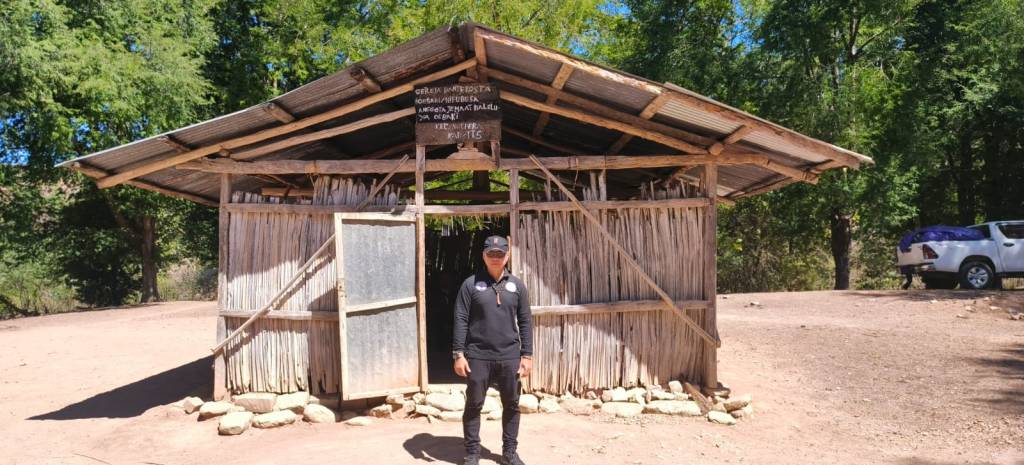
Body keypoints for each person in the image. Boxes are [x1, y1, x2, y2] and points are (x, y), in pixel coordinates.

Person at [452, 235, 532, 465]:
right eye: (491, 254)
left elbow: (525, 321)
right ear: (483, 256)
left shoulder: (517, 286)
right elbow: (460, 318)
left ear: (507, 256)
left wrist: (527, 355)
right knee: (474, 404)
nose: (495, 258)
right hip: (478, 356)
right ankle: (472, 453)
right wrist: (458, 354)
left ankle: (509, 452)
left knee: (512, 404)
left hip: (509, 356)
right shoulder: (470, 285)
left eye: (500, 254)